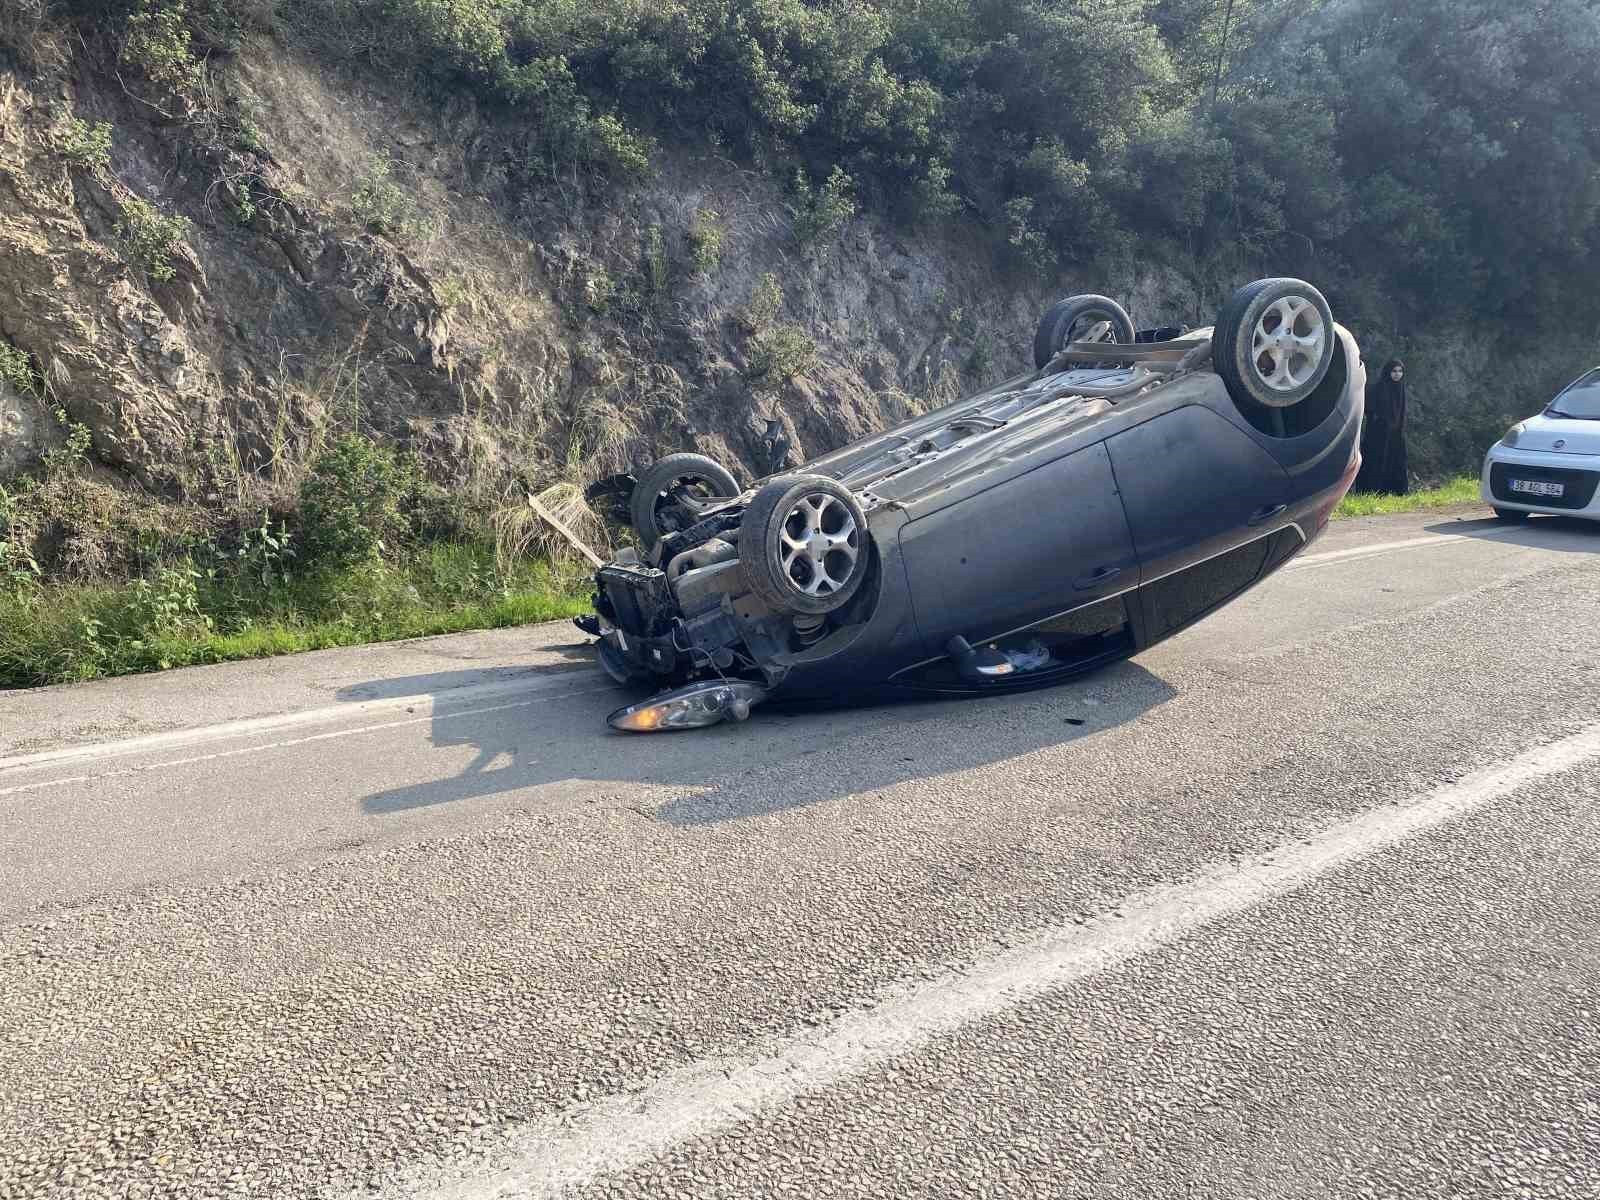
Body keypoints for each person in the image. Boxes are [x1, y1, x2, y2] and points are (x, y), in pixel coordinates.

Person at [1356, 357, 1409, 494]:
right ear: (1388, 372)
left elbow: (1401, 413)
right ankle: (1374, 491)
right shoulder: (1378, 388)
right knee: (1377, 460)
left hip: (1396, 433)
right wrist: (1379, 420)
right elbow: (1367, 406)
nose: (1397, 374)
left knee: (1396, 460)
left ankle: (1396, 491)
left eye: (1400, 371)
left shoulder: (1401, 389)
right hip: (1378, 434)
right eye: (1394, 371)